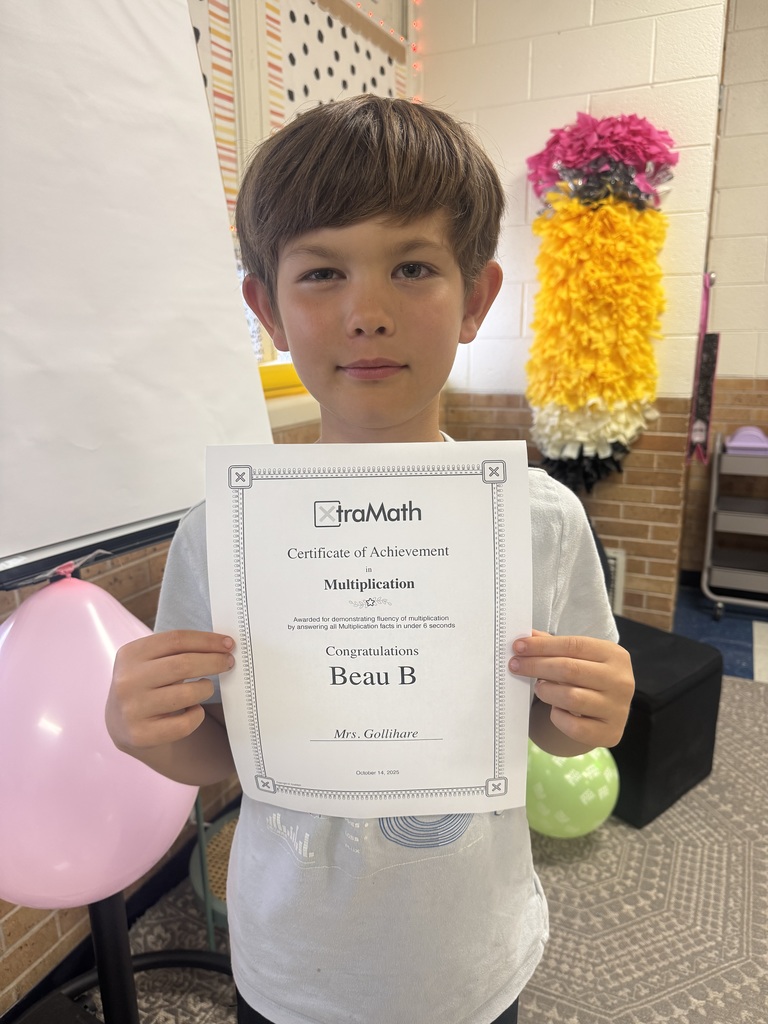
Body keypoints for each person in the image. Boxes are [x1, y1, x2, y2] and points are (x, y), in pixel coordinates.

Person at [106, 95, 634, 1024]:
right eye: (320, 273)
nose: (367, 312)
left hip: (470, 960)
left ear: (476, 298)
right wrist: (148, 729)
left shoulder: (539, 519)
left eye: (414, 266)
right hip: (291, 961)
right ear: (264, 308)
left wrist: (587, 716)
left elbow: (553, 731)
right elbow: (221, 751)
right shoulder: (221, 530)